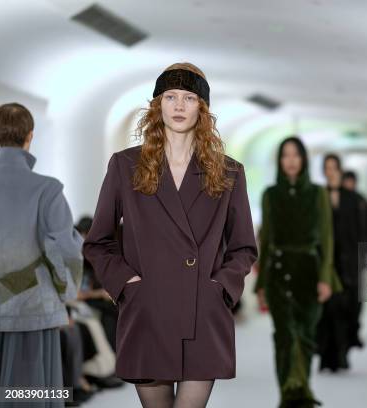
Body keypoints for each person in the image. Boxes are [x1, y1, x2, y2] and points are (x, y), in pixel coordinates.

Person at [83, 62, 258, 408]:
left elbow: (243, 247)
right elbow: (98, 240)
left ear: (202, 109)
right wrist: (127, 286)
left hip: (202, 312)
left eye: (189, 98)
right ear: (157, 105)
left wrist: (220, 289)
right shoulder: (125, 165)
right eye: (170, 97)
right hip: (147, 310)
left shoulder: (228, 172)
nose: (179, 106)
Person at [0, 103, 83, 408]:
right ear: (29, 137)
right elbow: (64, 251)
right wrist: (66, 292)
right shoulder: (46, 190)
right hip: (32, 313)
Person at [255, 136, 341, 408]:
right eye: (285, 155)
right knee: (284, 334)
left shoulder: (317, 194)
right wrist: (260, 285)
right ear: (280, 161)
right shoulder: (270, 195)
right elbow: (265, 240)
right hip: (277, 273)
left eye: (295, 155)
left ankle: (301, 389)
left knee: (304, 334)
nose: (290, 161)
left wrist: (326, 278)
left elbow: (327, 239)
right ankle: (288, 393)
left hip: (309, 270)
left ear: (304, 159)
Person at [316, 153, 367, 371]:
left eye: (333, 167)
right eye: (326, 167)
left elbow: (365, 229)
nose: (330, 171)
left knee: (347, 309)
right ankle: (327, 356)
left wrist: (360, 254)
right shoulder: (318, 196)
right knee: (326, 311)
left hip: (349, 263)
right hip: (326, 262)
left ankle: (343, 352)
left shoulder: (353, 198)